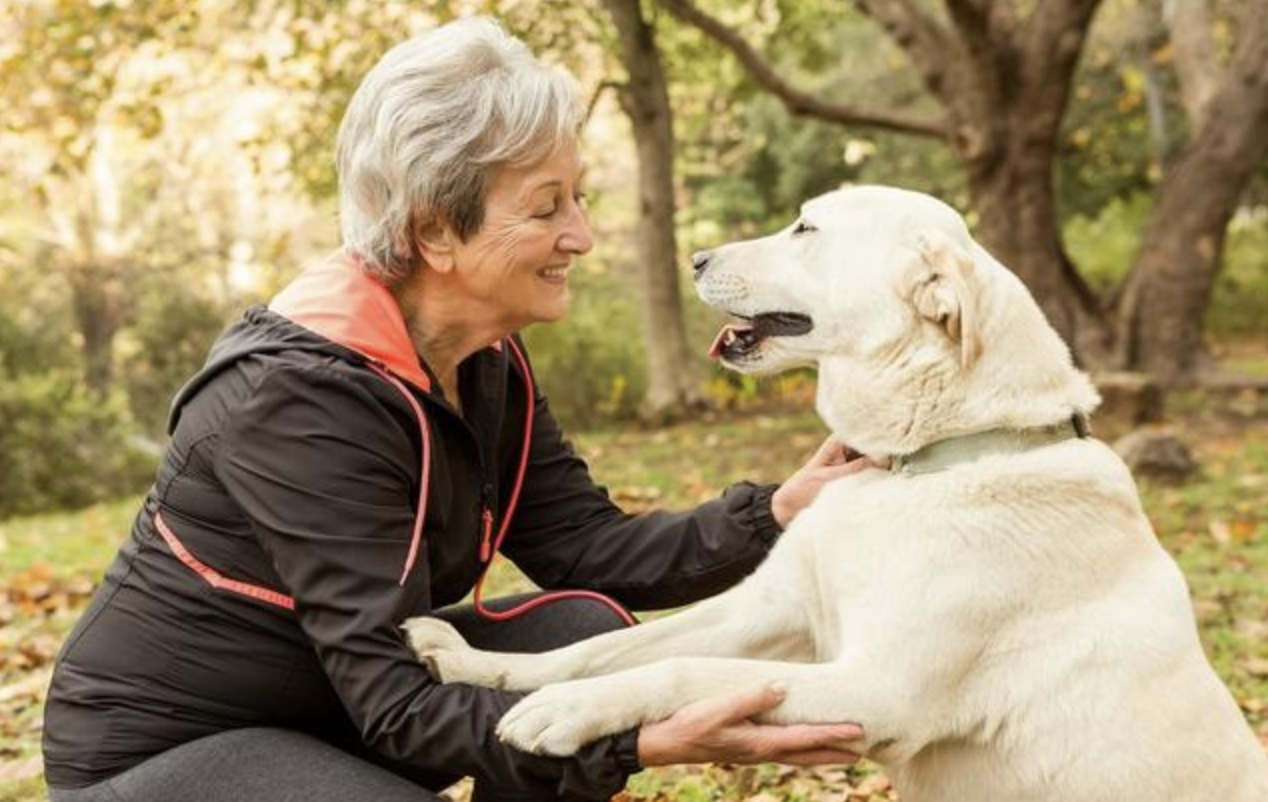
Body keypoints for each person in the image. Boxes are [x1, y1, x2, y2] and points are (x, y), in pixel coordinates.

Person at [42, 17, 867, 802]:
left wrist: (779, 512)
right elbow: (399, 710)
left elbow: (589, 550)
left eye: (577, 199)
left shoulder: (479, 356)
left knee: (580, 632)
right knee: (583, 700)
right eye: (547, 208)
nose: (580, 234)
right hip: (169, 755)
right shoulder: (297, 403)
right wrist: (634, 738)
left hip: (334, 714)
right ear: (435, 232)